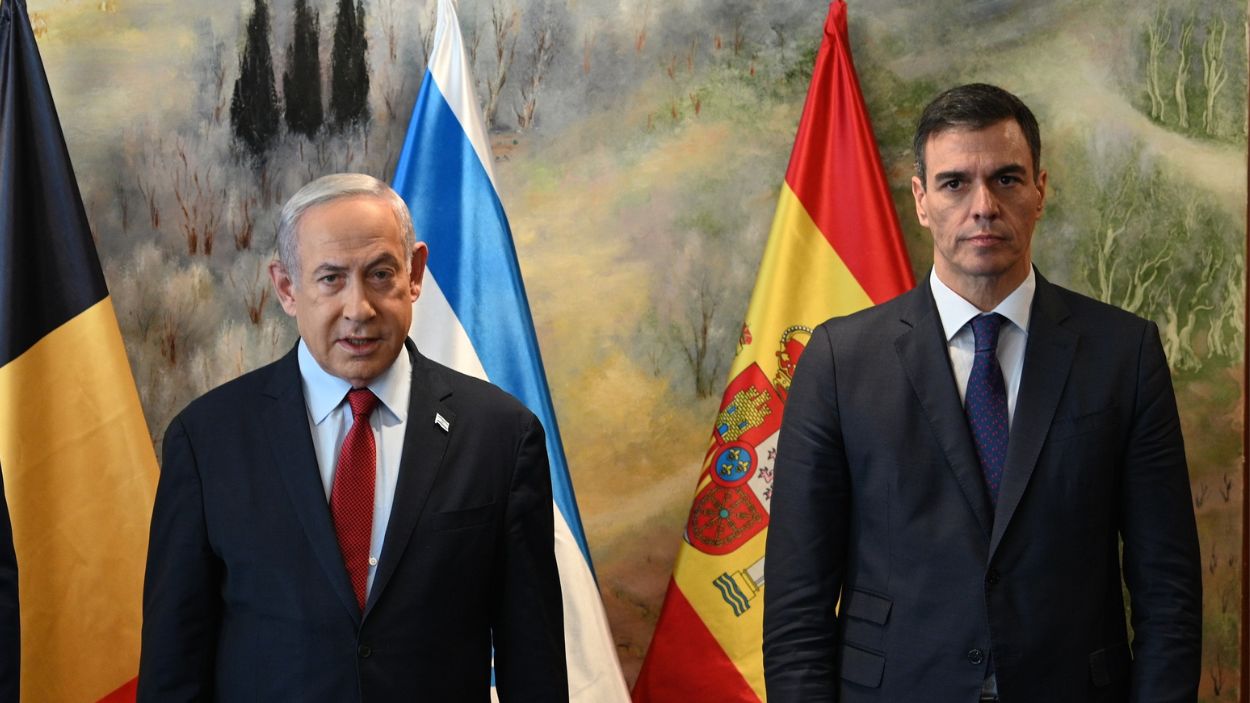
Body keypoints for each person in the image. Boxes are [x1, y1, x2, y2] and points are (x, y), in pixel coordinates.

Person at [762, 84, 1202, 702]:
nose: (983, 206)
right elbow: (796, 609)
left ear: (1040, 191)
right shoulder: (839, 362)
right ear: (920, 200)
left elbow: (1169, 596)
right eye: (954, 183)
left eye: (1006, 179)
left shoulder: (1123, 355)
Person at [138, 173, 567, 701]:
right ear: (286, 288)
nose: (358, 308)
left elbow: (535, 662)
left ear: (415, 275)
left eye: (381, 274)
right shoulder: (207, 441)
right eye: (330, 279)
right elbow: (173, 666)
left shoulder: (501, 435)